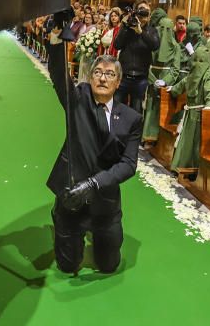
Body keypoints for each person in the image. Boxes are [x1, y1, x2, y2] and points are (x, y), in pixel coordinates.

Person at [45, 27, 142, 274]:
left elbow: (128, 164)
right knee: (67, 266)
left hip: (105, 201)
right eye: (97, 72)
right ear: (90, 77)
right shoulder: (77, 100)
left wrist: (93, 184)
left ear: (118, 83)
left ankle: (102, 236)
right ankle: (62, 222)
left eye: (109, 74)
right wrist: (56, 40)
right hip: (72, 197)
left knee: (109, 265)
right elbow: (58, 75)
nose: (102, 78)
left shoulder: (131, 118)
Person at [168, 49, 210, 172]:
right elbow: (181, 85)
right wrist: (172, 89)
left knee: (194, 143)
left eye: (201, 61)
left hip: (200, 115)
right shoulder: (191, 74)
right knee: (185, 141)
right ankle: (181, 166)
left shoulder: (207, 76)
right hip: (189, 113)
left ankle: (191, 168)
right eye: (195, 60)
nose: (197, 64)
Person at [113, 1, 159, 115]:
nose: (143, 15)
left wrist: (141, 32)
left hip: (140, 77)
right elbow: (117, 45)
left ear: (149, 16)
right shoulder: (127, 27)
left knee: (136, 111)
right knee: (116, 107)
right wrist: (125, 26)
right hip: (123, 75)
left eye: (146, 12)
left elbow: (155, 45)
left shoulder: (152, 30)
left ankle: (134, 133)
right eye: (141, 11)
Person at [144, 17, 182, 142]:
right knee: (150, 108)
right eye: (162, 29)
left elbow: (175, 69)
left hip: (165, 83)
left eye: (168, 30)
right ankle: (147, 136)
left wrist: (165, 81)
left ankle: (158, 138)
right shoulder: (152, 45)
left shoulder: (175, 47)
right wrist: (152, 79)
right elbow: (145, 63)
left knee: (162, 111)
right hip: (152, 79)